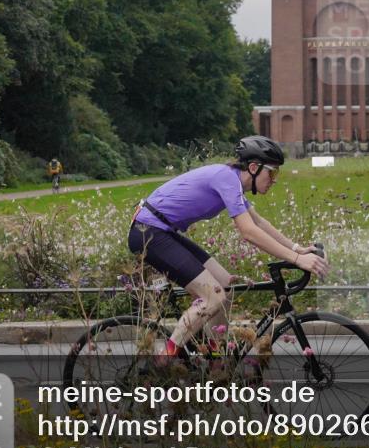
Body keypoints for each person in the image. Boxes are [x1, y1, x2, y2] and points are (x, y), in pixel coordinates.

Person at [128, 135, 329, 358]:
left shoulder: (233, 182)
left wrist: (296, 248)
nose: (274, 179)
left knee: (225, 285)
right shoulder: (226, 179)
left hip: (163, 231)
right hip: (148, 233)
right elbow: (248, 232)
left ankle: (215, 355)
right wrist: (297, 260)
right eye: (272, 172)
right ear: (253, 167)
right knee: (213, 297)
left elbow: (259, 222)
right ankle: (164, 359)